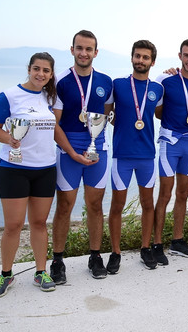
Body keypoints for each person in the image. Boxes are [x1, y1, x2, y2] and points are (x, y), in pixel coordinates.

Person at [0, 52, 58, 298]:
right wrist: (10, 138)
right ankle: (6, 274)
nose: (40, 74)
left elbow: (55, 128)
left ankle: (41, 271)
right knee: (13, 226)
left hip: (46, 169)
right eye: (36, 68)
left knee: (39, 224)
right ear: (29, 69)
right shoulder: (8, 95)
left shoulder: (50, 96)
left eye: (46, 71)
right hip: (13, 169)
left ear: (51, 74)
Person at [50, 30, 114, 282]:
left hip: (99, 151)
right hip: (68, 151)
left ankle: (95, 256)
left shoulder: (106, 81)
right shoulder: (60, 80)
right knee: (64, 206)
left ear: (96, 53)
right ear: (72, 49)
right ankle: (57, 260)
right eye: (79, 48)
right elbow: (54, 125)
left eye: (89, 49)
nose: (84, 53)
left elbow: (107, 114)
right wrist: (72, 153)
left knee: (95, 206)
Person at [108, 40, 164, 271]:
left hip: (146, 156)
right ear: (132, 57)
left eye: (145, 57)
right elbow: (105, 113)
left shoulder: (157, 89)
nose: (141, 60)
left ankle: (145, 248)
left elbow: (164, 115)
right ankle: (115, 252)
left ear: (152, 61)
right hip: (121, 155)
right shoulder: (118, 85)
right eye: (137, 56)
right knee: (117, 206)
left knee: (147, 203)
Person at [152, 39, 188, 263]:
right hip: (169, 142)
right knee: (165, 194)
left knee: (183, 194)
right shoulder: (165, 79)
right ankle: (156, 243)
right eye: (186, 55)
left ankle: (177, 241)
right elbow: (156, 112)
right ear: (180, 56)